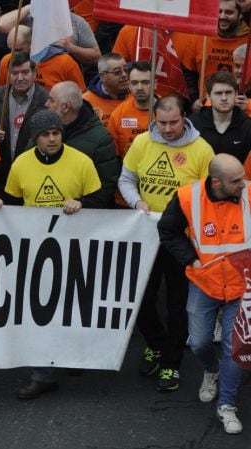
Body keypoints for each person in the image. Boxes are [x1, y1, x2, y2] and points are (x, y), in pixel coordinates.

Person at [4, 110, 104, 400]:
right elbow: (11, 204)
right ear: (35, 138)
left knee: (72, 308)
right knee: (38, 312)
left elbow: (100, 199)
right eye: (45, 135)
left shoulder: (82, 162)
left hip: (75, 248)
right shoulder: (21, 164)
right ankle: (42, 375)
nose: (51, 139)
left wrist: (82, 203)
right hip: (35, 251)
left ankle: (72, 357)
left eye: (56, 133)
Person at [119, 96, 214, 392]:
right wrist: (136, 201)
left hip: (181, 238)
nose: (168, 129)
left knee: (177, 303)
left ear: (184, 117)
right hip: (146, 233)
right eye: (162, 123)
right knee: (141, 299)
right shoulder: (143, 143)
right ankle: (155, 344)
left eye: (173, 122)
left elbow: (208, 195)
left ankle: (172, 363)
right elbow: (126, 179)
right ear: (154, 120)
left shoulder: (201, 149)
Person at [158, 153, 248, 435]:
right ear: (217, 182)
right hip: (203, 282)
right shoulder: (187, 197)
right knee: (198, 343)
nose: (242, 185)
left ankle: (227, 404)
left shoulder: (248, 193)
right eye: (235, 182)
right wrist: (190, 259)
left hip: (240, 286)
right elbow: (168, 230)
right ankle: (211, 370)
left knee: (234, 350)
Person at [27, 81, 119, 208]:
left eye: (51, 100)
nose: (46, 104)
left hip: (81, 219)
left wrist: (82, 203)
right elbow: (25, 165)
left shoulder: (100, 139)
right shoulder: (41, 127)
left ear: (66, 107)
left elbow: (107, 186)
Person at [0, 52, 50, 192]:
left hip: (34, 175)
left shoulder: (47, 100)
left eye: (25, 72)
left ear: (34, 73)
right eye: (14, 73)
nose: (19, 78)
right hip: (0, 176)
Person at [0, 25, 85, 91]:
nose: (13, 55)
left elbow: (79, 95)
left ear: (32, 43)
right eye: (10, 50)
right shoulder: (7, 60)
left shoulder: (65, 62)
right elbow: (1, 93)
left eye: (18, 50)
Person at [189, 72, 251, 164]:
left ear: (236, 94)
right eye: (218, 93)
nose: (224, 98)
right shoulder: (192, 124)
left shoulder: (247, 126)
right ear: (208, 97)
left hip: (235, 177)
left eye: (228, 92)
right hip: (200, 177)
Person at [106, 61, 156, 157]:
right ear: (129, 85)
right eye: (134, 83)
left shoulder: (167, 111)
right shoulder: (118, 115)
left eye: (145, 82)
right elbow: (112, 155)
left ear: (155, 84)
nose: (139, 87)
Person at [84, 53, 130, 130]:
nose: (124, 75)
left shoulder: (136, 95)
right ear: (103, 76)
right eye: (117, 72)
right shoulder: (86, 102)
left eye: (126, 70)